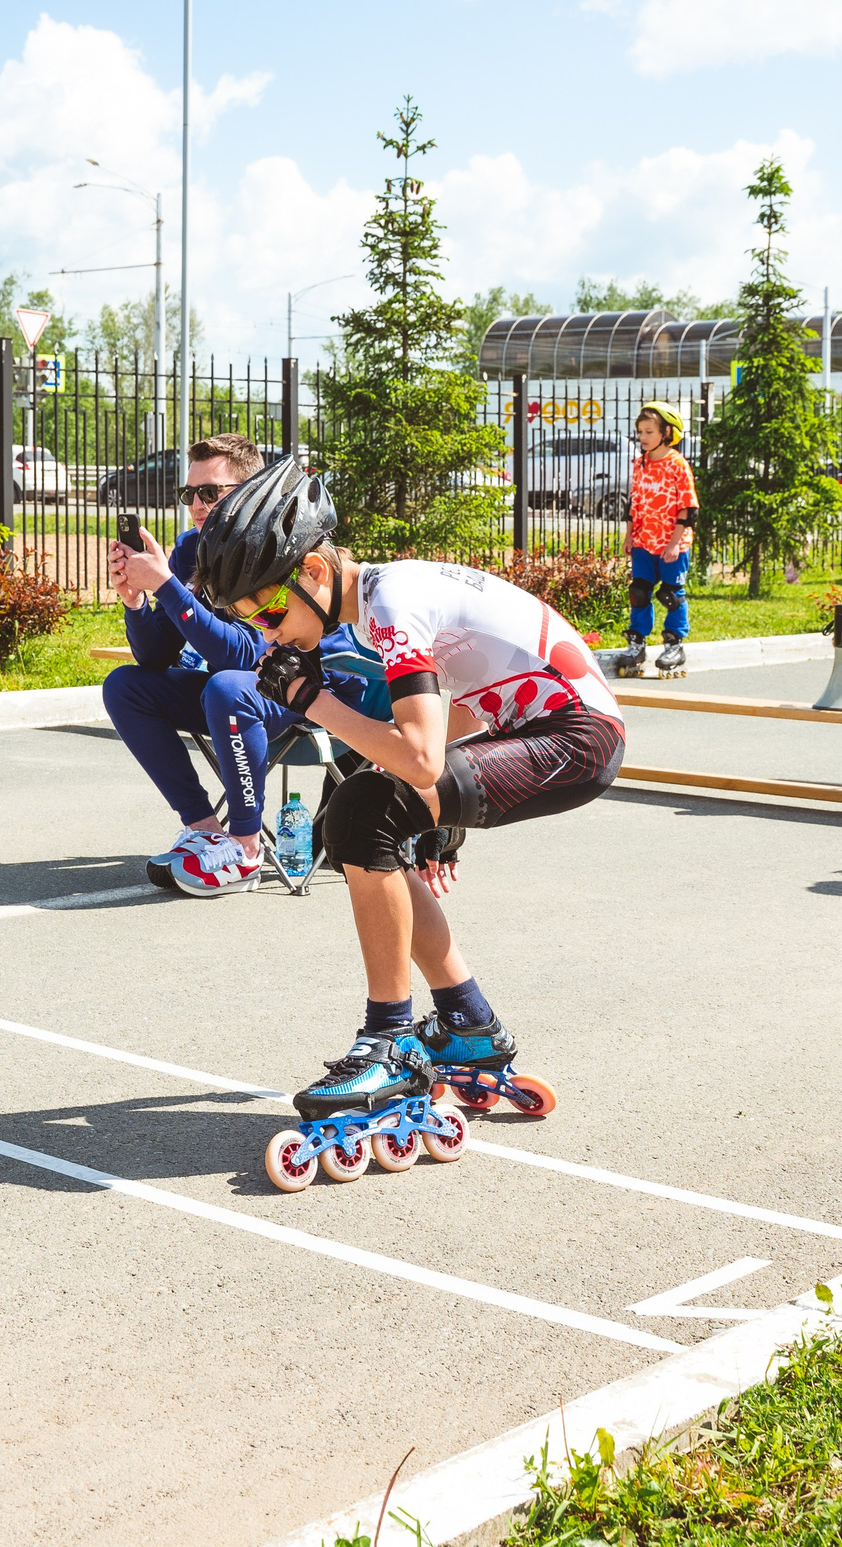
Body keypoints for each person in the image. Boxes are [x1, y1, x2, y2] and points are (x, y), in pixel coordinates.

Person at [186, 458, 623, 1140]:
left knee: (363, 809)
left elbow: (419, 752)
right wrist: (434, 807)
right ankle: (468, 1025)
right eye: (253, 620)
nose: (269, 632)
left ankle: (388, 1042)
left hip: (576, 735)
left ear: (316, 573)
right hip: (546, 723)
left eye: (271, 609)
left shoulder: (390, 606)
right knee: (361, 819)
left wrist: (313, 701)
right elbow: (468, 705)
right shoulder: (381, 600)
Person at [101, 433, 381, 898]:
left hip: (315, 690)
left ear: (250, 491)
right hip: (240, 698)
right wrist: (136, 602)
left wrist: (168, 587)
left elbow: (250, 657)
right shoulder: (191, 550)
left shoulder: (275, 543)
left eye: (210, 493)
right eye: (188, 493)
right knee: (126, 686)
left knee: (228, 687)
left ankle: (246, 849)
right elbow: (154, 657)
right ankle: (207, 829)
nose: (196, 504)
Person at [608, 400, 697, 677]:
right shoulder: (640, 464)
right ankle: (637, 643)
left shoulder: (677, 465)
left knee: (671, 595)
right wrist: (629, 535)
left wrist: (673, 543)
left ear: (667, 433)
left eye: (649, 432)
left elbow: (688, 508)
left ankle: (674, 645)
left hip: (673, 544)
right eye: (640, 432)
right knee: (639, 593)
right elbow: (635, 502)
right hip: (644, 542)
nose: (643, 438)